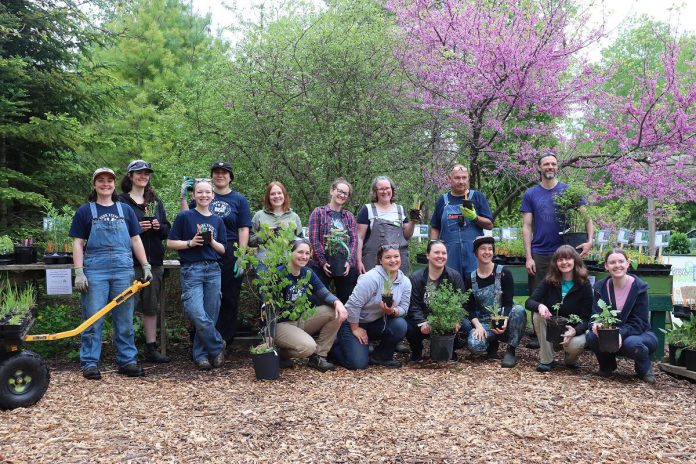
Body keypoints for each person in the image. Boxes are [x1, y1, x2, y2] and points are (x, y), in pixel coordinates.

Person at [70, 168, 152, 380]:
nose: (105, 184)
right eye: (100, 181)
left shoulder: (125, 210)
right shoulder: (85, 211)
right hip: (95, 270)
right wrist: (79, 272)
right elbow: (78, 243)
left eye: (109, 180)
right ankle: (89, 362)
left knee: (124, 319)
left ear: (115, 184)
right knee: (93, 318)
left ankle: (127, 361)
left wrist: (145, 265)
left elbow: (136, 239)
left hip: (123, 269)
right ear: (94, 184)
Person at [181, 161, 251, 346]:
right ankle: (204, 342)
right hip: (203, 248)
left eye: (224, 172)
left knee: (228, 297)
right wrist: (183, 196)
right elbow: (186, 220)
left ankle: (224, 341)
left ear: (230, 177)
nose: (220, 175)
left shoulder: (239, 200)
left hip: (229, 249)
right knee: (203, 300)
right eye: (216, 172)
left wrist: (241, 256)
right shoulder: (202, 195)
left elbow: (244, 229)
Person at [169, 179, 227, 370]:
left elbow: (223, 250)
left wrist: (211, 242)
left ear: (213, 195)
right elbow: (170, 243)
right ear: (193, 195)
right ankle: (218, 345)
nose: (204, 195)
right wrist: (190, 243)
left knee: (210, 315)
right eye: (200, 192)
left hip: (213, 269)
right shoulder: (185, 217)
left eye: (207, 192)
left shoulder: (217, 220)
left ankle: (201, 355)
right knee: (196, 312)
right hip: (191, 270)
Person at [118, 159, 171, 363]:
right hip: (128, 263)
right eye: (138, 173)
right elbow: (119, 232)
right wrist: (138, 227)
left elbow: (168, 230)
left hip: (154, 262)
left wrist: (158, 227)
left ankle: (151, 349)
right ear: (130, 176)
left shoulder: (155, 202)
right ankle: (126, 351)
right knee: (125, 307)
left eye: (146, 173)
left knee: (151, 307)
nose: (143, 176)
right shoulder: (121, 202)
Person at [330, 245, 412, 369]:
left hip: (376, 322)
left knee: (400, 325)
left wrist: (393, 311)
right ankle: (334, 348)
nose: (393, 260)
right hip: (353, 321)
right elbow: (353, 305)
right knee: (358, 364)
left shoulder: (405, 282)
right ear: (380, 260)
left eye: (396, 256)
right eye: (388, 257)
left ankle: (381, 356)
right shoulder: (371, 278)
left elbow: (405, 307)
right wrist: (355, 328)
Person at [521, 153, 594, 293]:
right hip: (539, 253)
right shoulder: (530, 194)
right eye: (546, 164)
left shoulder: (568, 191)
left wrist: (589, 241)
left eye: (553, 164)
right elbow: (527, 226)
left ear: (557, 167)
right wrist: (528, 257)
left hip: (565, 253)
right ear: (539, 167)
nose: (550, 167)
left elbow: (587, 218)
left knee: (566, 295)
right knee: (538, 296)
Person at [273, 238, 348, 372]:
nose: (304, 256)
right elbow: (267, 307)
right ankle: (281, 354)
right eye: (300, 252)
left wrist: (338, 303)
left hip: (301, 319)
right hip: (280, 325)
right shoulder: (278, 274)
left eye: (307, 253)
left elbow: (324, 293)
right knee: (308, 347)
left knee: (335, 312)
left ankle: (319, 357)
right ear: (290, 253)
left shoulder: (308, 273)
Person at [585, 248, 657, 384]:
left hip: (640, 334)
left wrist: (619, 334)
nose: (617, 265)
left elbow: (639, 322)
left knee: (632, 343)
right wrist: (595, 325)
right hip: (611, 335)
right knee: (591, 336)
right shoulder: (600, 288)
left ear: (628, 263)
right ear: (606, 266)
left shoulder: (639, 288)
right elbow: (595, 314)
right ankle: (607, 366)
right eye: (612, 262)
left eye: (621, 261)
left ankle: (644, 368)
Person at [525, 245, 593, 372]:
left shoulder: (584, 284)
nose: (564, 262)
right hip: (552, 328)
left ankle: (571, 359)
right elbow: (529, 302)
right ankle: (547, 360)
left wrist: (575, 330)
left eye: (568, 259)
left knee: (576, 344)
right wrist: (540, 306)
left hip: (572, 329)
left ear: (575, 261)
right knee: (537, 315)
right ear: (556, 263)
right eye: (560, 259)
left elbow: (586, 318)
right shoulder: (549, 281)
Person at [463, 236, 526, 368]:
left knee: (519, 310)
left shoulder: (504, 273)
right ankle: (492, 342)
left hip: (503, 318)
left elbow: (509, 303)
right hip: (484, 322)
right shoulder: (470, 278)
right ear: (475, 253)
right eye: (483, 249)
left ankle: (511, 350)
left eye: (490, 249)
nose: (487, 252)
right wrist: (478, 326)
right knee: (475, 345)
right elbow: (469, 308)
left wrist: (504, 320)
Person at [406, 239, 465, 362]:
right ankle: (417, 350)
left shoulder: (454, 276)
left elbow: (460, 303)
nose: (440, 256)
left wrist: (456, 320)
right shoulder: (416, 278)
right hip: (424, 319)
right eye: (436, 252)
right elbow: (414, 306)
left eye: (444, 253)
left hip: (446, 319)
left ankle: (449, 349)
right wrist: (422, 322)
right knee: (408, 324)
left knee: (465, 325)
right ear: (428, 255)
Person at [429, 164, 493, 276]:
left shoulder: (477, 197)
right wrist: (432, 249)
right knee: (449, 286)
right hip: (449, 255)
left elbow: (489, 225)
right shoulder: (442, 200)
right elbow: (435, 227)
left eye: (464, 178)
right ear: (449, 179)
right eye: (457, 178)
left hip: (473, 255)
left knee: (473, 287)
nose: (461, 181)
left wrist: (475, 217)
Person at [308, 177, 358, 303]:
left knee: (347, 300)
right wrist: (323, 261)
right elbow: (314, 239)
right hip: (322, 264)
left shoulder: (349, 216)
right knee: (316, 300)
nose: (342, 195)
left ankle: (345, 323)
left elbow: (354, 241)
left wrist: (349, 262)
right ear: (332, 191)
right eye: (339, 191)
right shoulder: (318, 213)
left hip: (343, 265)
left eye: (345, 193)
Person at [356, 176, 419, 274]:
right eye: (381, 189)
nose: (384, 192)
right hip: (373, 264)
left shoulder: (400, 209)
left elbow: (407, 236)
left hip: (397, 264)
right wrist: (358, 261)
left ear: (392, 190)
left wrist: (413, 222)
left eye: (387, 188)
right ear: (375, 191)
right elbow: (359, 238)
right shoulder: (367, 210)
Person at [250, 181, 303, 267]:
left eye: (279, 193)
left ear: (284, 195)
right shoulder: (259, 215)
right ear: (268, 197)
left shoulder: (294, 217)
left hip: (288, 262)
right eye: (273, 194)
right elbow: (250, 240)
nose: (277, 196)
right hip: (264, 263)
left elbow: (300, 240)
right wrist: (265, 234)